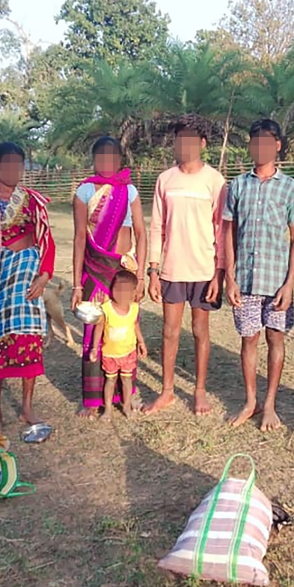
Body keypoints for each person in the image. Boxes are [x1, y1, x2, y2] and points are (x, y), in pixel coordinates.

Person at [0, 142, 56, 431]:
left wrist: (44, 277)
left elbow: (47, 240)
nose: (13, 170)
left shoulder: (31, 200)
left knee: (29, 340)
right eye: (7, 165)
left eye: (18, 165)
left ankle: (27, 408)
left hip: (28, 277)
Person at [223, 119, 294, 432]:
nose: (261, 147)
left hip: (277, 282)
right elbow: (229, 234)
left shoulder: (290, 188)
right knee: (249, 341)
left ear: (278, 146)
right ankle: (250, 401)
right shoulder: (238, 185)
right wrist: (229, 277)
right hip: (245, 280)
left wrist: (289, 284)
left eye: (267, 141)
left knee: (275, 340)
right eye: (255, 141)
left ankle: (269, 404)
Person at [145, 114, 226, 416]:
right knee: (169, 331)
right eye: (180, 139)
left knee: (200, 332)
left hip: (204, 271)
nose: (186, 145)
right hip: (172, 270)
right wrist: (153, 270)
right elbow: (157, 227)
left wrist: (219, 273)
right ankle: (166, 391)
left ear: (203, 143)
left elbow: (221, 230)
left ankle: (199, 391)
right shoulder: (165, 179)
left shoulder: (215, 181)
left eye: (192, 139)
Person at [70, 137, 147, 419]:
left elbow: (141, 233)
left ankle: (126, 393)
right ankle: (93, 400)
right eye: (100, 157)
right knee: (93, 334)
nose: (106, 163)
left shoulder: (130, 191)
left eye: (111, 157)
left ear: (119, 159)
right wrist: (77, 284)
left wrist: (139, 276)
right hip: (94, 269)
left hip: (123, 271)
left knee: (124, 332)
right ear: (93, 160)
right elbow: (79, 238)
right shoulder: (85, 191)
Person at [87, 270, 148, 420]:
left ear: (133, 293)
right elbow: (99, 328)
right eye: (117, 289)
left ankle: (126, 406)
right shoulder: (106, 309)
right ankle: (108, 409)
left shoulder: (134, 308)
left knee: (127, 380)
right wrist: (94, 348)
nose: (120, 294)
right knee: (110, 380)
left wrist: (141, 342)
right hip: (110, 355)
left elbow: (135, 326)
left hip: (128, 354)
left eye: (125, 291)